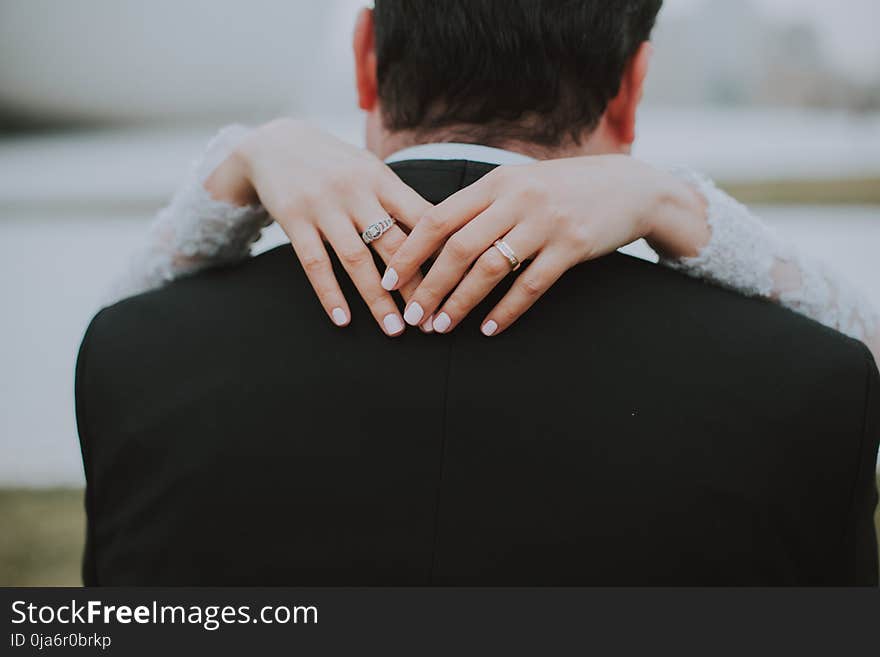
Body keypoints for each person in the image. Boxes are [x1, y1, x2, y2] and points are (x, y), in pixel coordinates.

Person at [76, 0, 879, 585]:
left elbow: (113, 326)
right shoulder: (811, 386)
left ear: (365, 58)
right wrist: (676, 205)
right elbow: (858, 356)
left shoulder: (136, 355)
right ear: (631, 90)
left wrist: (238, 164)